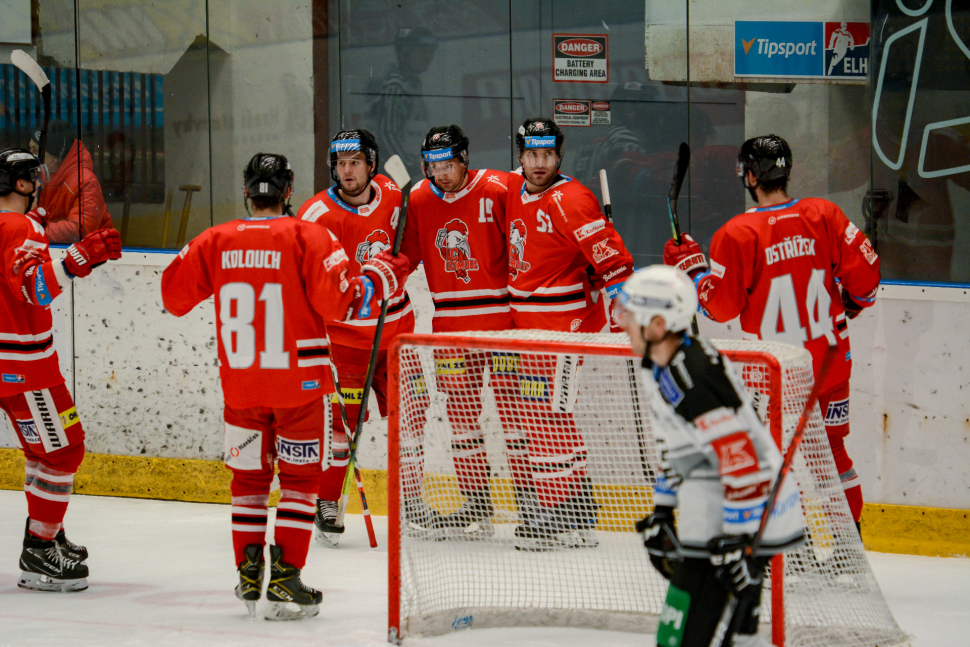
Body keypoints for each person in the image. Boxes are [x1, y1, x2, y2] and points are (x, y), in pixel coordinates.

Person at [161, 153, 410, 620]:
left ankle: (248, 574)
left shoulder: (214, 240)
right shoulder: (309, 236)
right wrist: (381, 274)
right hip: (297, 390)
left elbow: (172, 296)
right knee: (299, 484)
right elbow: (345, 304)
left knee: (248, 483)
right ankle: (286, 579)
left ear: (246, 190)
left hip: (241, 390)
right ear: (288, 189)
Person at [663, 135, 879, 532]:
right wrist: (854, 303)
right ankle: (849, 544)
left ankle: (787, 549)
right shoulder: (825, 214)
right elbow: (866, 281)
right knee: (831, 453)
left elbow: (721, 306)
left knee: (773, 459)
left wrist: (694, 269)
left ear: (749, 176)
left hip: (777, 373)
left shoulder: (737, 233)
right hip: (831, 365)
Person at [618, 265, 806, 647]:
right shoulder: (662, 365)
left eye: (630, 315)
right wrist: (662, 508)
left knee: (698, 634)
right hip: (717, 510)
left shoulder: (693, 374)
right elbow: (677, 449)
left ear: (657, 323)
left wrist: (739, 541)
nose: (622, 323)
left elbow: (740, 459)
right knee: (690, 630)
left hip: (749, 514)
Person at [501, 118, 634, 551]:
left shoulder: (572, 199)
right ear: (520, 156)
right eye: (532, 155)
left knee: (546, 416)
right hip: (530, 325)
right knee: (546, 414)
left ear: (559, 155)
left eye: (548, 155)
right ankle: (576, 505)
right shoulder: (513, 191)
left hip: (560, 326)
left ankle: (560, 509)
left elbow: (614, 262)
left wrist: (618, 303)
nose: (540, 163)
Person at [397, 124, 529, 539]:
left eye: (448, 163)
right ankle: (476, 505)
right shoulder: (418, 198)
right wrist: (379, 274)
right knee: (462, 421)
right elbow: (407, 255)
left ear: (465, 158)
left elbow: (530, 242)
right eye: (434, 165)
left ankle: (530, 505)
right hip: (450, 327)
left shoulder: (501, 187)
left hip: (504, 325)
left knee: (516, 419)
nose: (441, 173)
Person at [0, 147, 122, 592]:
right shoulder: (15, 226)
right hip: (25, 368)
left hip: (14, 364)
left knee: (43, 453)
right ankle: (39, 548)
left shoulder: (13, 223)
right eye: (36, 178)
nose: (43, 183)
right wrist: (76, 259)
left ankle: (46, 530)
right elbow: (33, 289)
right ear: (22, 184)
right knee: (64, 450)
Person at [296, 129, 415, 548]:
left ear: (370, 164)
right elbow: (300, 277)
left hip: (398, 335)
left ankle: (413, 501)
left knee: (413, 419)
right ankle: (327, 500)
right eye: (341, 165)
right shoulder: (315, 216)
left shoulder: (394, 193)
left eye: (355, 163)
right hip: (345, 344)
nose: (347, 172)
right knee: (341, 430)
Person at [29, 120, 114, 244]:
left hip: (95, 256)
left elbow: (79, 230)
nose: (31, 156)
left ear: (57, 156)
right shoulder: (41, 177)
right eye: (30, 150)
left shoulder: (85, 181)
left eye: (36, 151)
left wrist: (31, 230)